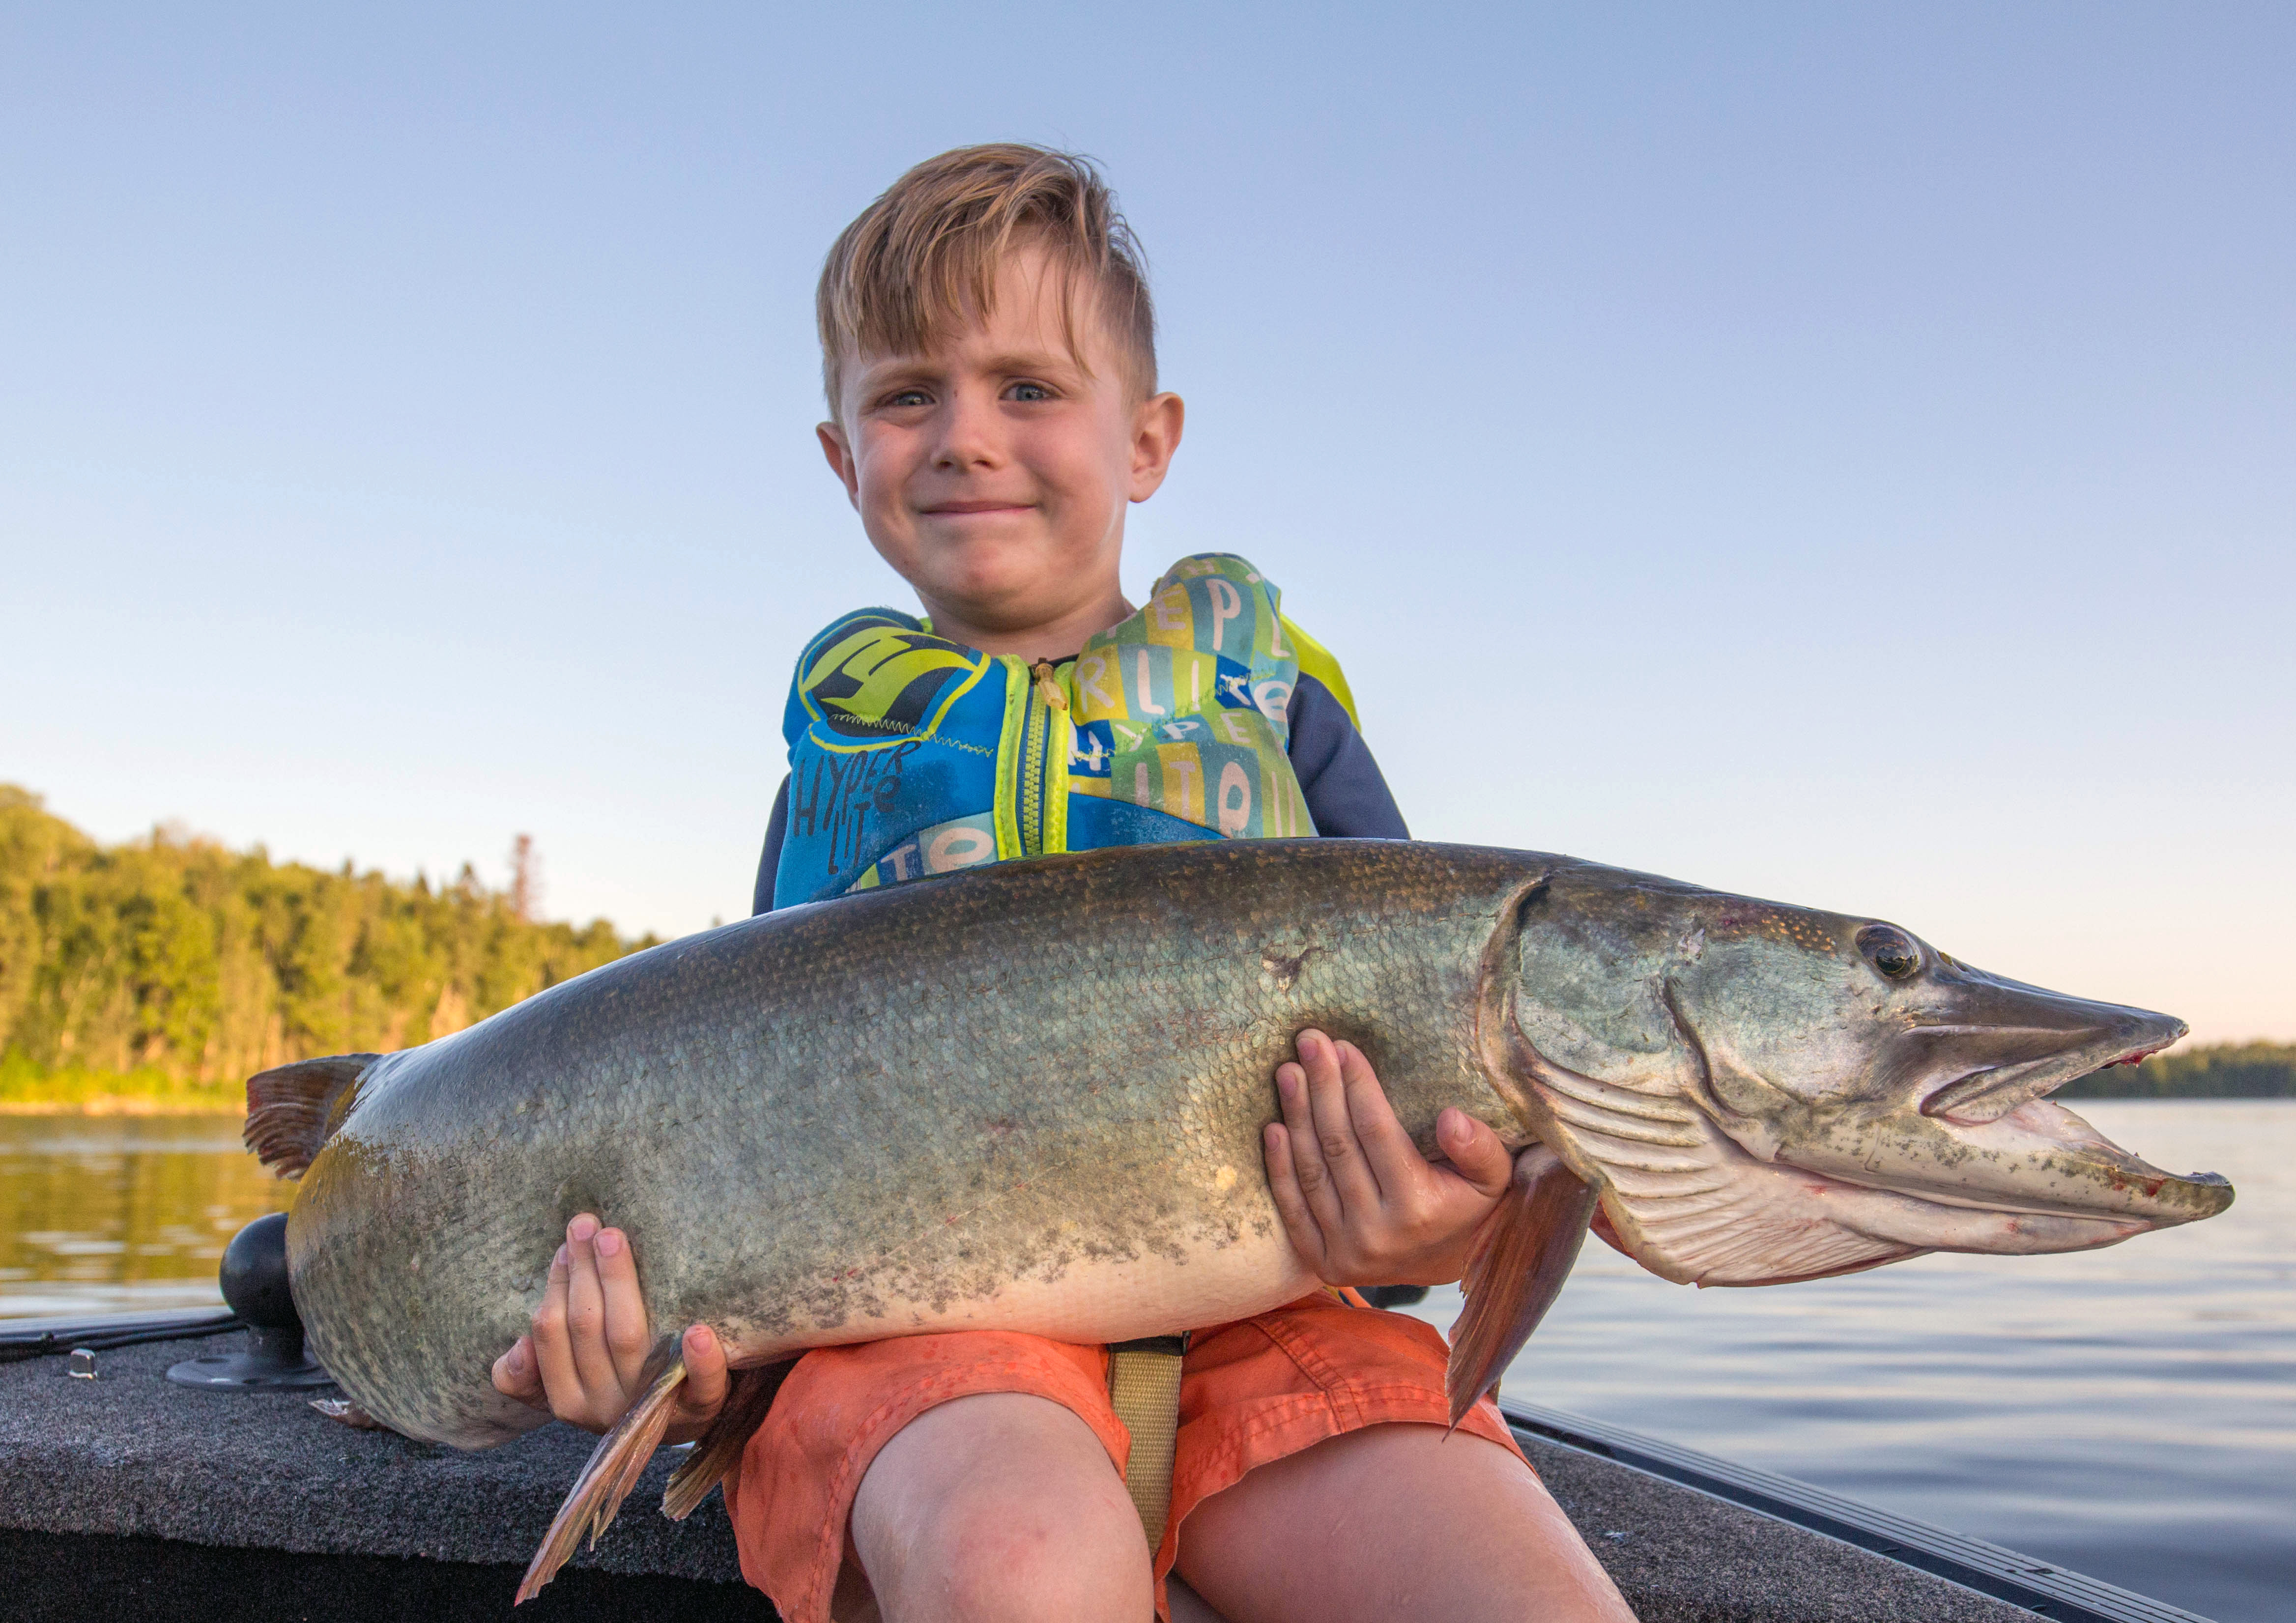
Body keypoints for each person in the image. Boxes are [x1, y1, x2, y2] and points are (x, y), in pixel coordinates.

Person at [491, 144, 1635, 1623]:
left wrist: (1439, 1235)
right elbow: (748, 1164)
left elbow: (1455, 1098)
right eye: (908, 396)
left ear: (1147, 440)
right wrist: (674, 1371)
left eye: (1027, 388)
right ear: (843, 458)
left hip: (1276, 1339)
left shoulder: (1282, 716)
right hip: (918, 1363)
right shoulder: (837, 775)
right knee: (1019, 1566)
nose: (966, 437)